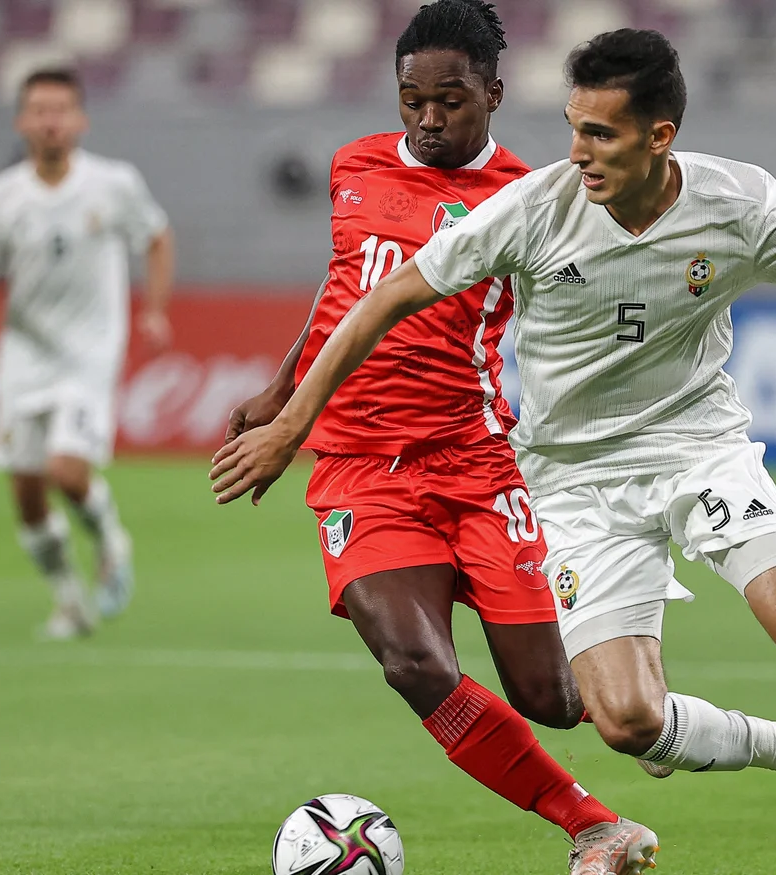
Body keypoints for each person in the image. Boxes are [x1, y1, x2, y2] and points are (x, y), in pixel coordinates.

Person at [211, 28, 776, 875]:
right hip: (576, 479)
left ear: (659, 136)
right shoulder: (534, 209)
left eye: (600, 134)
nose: (580, 153)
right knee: (623, 720)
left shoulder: (739, 203)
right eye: (572, 129)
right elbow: (380, 298)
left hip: (698, 446)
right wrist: (290, 421)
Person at [220, 4, 656, 874]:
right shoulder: (355, 165)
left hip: (475, 459)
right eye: (412, 98)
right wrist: (280, 389)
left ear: (493, 94)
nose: (427, 118)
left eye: (450, 101)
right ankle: (595, 825)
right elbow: (347, 283)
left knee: (558, 697)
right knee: (415, 662)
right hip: (359, 467)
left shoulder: (530, 199)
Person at [0, 68, 174, 639]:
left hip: (89, 351)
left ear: (80, 120)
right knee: (26, 492)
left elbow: (154, 235)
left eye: (60, 110)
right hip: (24, 352)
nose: (50, 121)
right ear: (23, 122)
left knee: (63, 469)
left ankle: (109, 538)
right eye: (39, 111)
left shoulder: (113, 184)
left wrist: (153, 308)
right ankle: (70, 602)